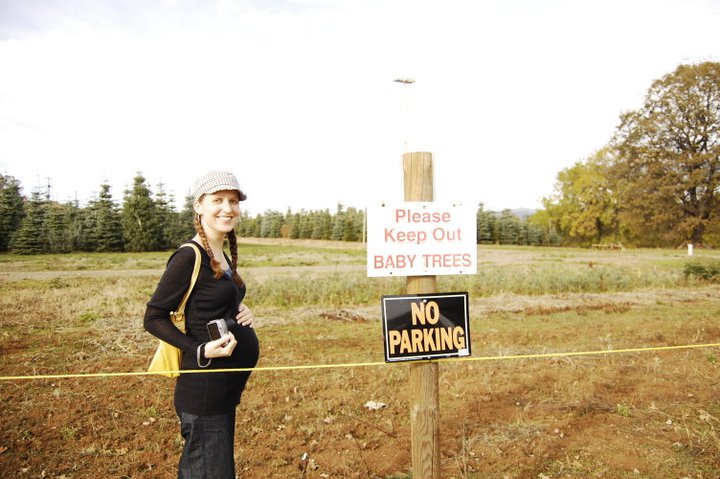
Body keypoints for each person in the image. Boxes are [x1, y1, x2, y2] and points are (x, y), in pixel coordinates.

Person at [144, 170, 260, 479]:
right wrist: (199, 348)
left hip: (222, 392)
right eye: (218, 200)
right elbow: (153, 316)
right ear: (199, 206)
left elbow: (212, 303)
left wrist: (240, 309)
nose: (227, 208)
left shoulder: (220, 252)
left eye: (233, 201)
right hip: (204, 392)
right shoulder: (188, 256)